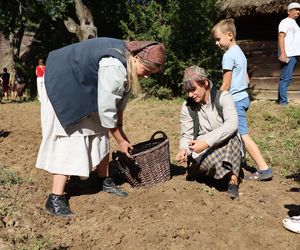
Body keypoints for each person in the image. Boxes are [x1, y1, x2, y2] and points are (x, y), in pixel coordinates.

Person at [35, 37, 166, 217]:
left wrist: (120, 130)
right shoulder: (115, 65)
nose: (146, 75)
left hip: (84, 86)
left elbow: (118, 103)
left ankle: (103, 179)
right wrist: (120, 140)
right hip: (65, 85)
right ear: (136, 58)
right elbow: (107, 110)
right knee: (71, 138)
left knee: (102, 130)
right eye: (147, 70)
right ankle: (55, 198)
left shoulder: (127, 65)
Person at [211, 19, 273, 181]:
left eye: (218, 39)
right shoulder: (239, 52)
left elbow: (226, 84)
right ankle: (240, 159)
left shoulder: (228, 56)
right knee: (236, 133)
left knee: (243, 134)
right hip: (244, 98)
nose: (217, 43)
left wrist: (215, 100)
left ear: (229, 35)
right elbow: (246, 80)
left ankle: (264, 168)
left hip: (236, 101)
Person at [175, 66, 241, 199]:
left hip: (225, 142)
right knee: (204, 157)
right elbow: (187, 134)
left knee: (232, 138)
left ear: (205, 82)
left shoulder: (223, 97)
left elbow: (232, 124)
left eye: (193, 90)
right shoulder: (187, 106)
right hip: (202, 148)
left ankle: (233, 179)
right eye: (187, 92)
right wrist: (183, 149)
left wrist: (206, 143)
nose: (190, 95)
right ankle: (218, 172)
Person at [277, 2, 300, 106]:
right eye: (295, 9)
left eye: (298, 10)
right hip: (288, 55)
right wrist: (283, 54)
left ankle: (281, 101)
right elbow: (281, 36)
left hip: (293, 55)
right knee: (285, 79)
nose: (298, 11)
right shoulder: (285, 21)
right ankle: (283, 103)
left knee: (286, 78)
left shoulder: (293, 23)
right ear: (289, 11)